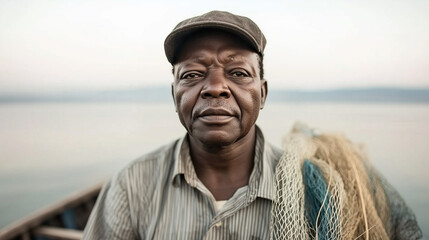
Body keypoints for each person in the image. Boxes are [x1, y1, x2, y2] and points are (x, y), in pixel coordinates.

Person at [82, 11, 422, 239]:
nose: (215, 86)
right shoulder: (131, 185)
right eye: (192, 75)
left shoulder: (315, 186)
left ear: (262, 93)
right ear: (175, 95)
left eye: (238, 73)